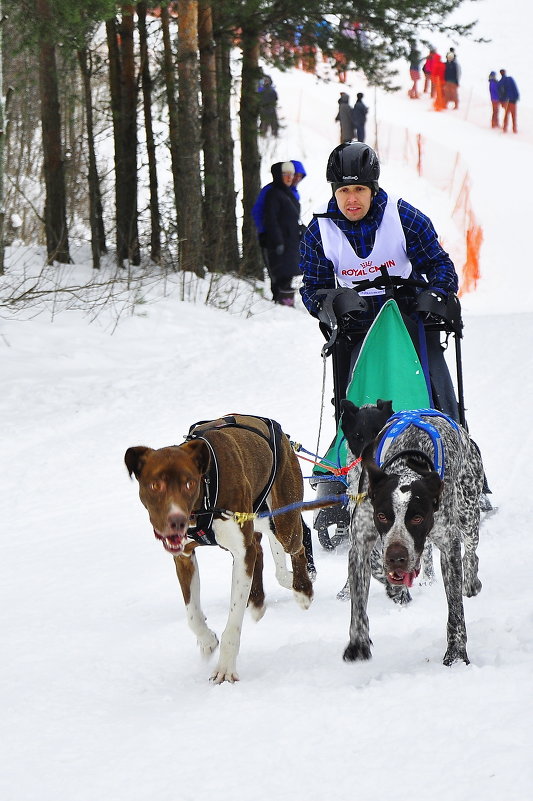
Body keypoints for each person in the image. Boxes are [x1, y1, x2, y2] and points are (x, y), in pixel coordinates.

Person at [299, 141, 460, 420]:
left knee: (434, 381)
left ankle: (452, 430)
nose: (352, 199)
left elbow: (439, 264)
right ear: (334, 192)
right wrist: (331, 303)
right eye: (344, 190)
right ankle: (353, 450)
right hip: (361, 328)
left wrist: (436, 293)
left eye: (360, 189)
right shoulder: (320, 232)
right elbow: (313, 288)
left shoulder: (402, 216)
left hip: (412, 319)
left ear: (373, 189)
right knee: (356, 394)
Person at [263, 161, 302, 305]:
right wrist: (278, 240)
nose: (289, 178)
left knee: (289, 272)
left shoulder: (288, 193)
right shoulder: (273, 194)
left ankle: (286, 301)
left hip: (290, 241)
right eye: (285, 174)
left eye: (291, 174)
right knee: (280, 272)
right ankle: (280, 301)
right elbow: (271, 219)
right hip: (280, 241)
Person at [498, 69, 519, 133]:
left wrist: (501, 100)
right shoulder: (510, 79)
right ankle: (514, 129)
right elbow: (515, 89)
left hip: (506, 101)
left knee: (506, 115)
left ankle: (505, 128)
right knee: (513, 115)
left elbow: (500, 92)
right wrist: (516, 97)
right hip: (513, 100)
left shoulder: (501, 81)